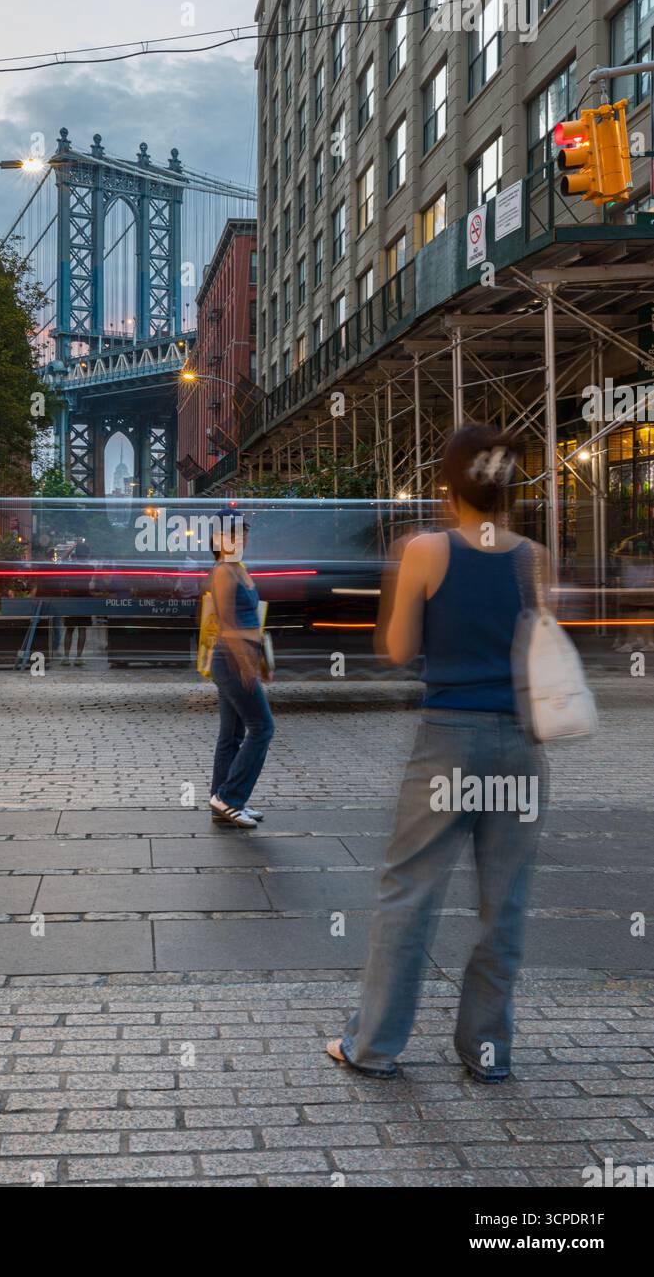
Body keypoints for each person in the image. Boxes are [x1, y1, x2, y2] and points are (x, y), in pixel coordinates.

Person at [326, 424, 550, 1083]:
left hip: (450, 739)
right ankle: (487, 1054)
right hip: (520, 745)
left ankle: (372, 1048)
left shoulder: (422, 549)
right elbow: (540, 648)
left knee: (409, 893)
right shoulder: (533, 555)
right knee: (502, 904)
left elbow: (397, 651)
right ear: (507, 485)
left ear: (447, 485)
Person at [207, 509, 275, 829]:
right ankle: (231, 797)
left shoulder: (239, 568)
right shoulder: (223, 571)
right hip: (232, 660)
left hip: (243, 657)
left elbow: (252, 621)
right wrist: (247, 664)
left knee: (231, 735)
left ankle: (221, 800)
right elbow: (228, 623)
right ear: (220, 537)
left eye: (245, 531)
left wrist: (262, 657)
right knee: (262, 728)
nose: (243, 537)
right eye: (237, 532)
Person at [61, 539, 91, 666]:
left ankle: (66, 657)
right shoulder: (89, 568)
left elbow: (62, 558)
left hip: (71, 600)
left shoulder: (71, 565)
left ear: (76, 554)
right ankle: (79, 657)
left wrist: (73, 546)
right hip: (84, 600)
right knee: (82, 630)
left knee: (69, 629)